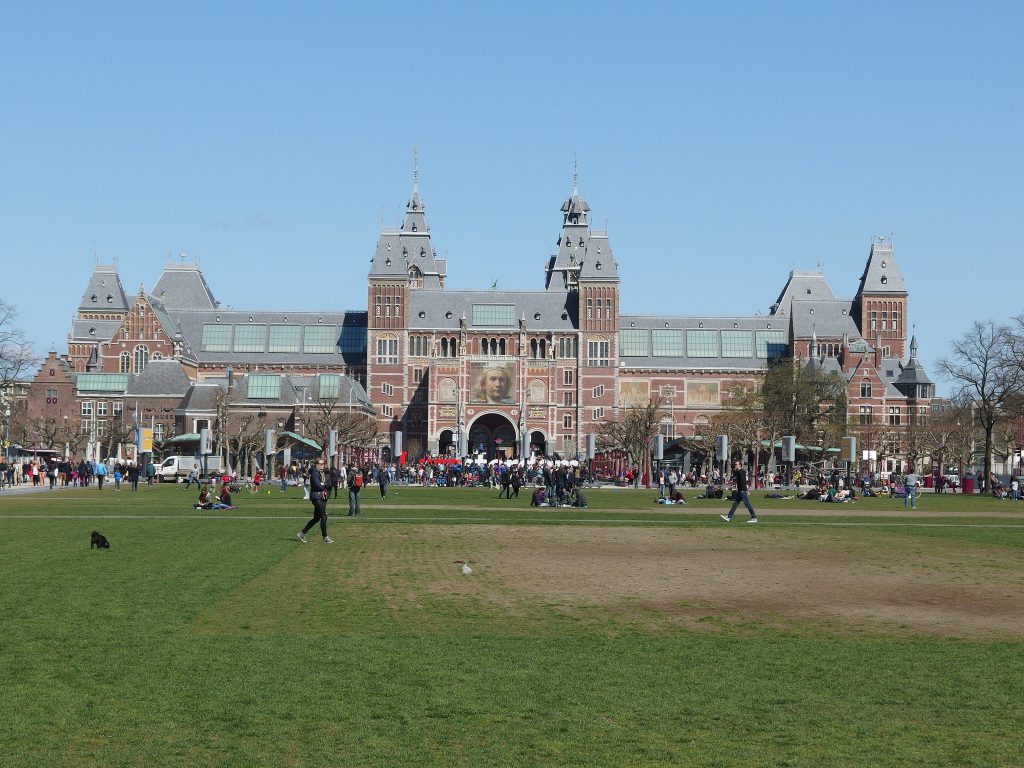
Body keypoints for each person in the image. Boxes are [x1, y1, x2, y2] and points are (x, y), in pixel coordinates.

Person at [297, 458, 333, 543]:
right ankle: (325, 537)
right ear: (316, 464)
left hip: (321, 497)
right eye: (321, 464)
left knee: (316, 518)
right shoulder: (314, 473)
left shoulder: (320, 473)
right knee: (324, 516)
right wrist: (325, 485)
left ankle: (302, 533)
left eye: (323, 464)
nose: (322, 465)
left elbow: (326, 484)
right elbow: (317, 486)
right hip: (316, 497)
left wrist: (324, 484)